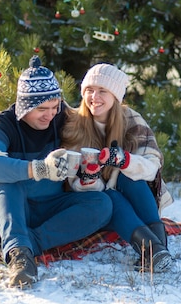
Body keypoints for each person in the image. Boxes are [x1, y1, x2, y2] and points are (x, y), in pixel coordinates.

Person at [0, 56, 113, 288]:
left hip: (52, 206)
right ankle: (19, 255)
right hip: (12, 210)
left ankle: (29, 244)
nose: (50, 115)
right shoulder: (3, 124)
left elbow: (105, 121)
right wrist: (38, 168)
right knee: (5, 182)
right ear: (24, 106)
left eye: (54, 107)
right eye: (41, 109)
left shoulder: (61, 117)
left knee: (102, 204)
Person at [61, 63, 174, 273]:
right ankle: (154, 250)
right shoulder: (75, 124)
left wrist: (124, 161)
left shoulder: (131, 119)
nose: (94, 97)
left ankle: (158, 251)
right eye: (89, 90)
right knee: (111, 197)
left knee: (130, 176)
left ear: (116, 96)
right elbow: (69, 181)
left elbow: (152, 167)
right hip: (95, 203)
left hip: (133, 194)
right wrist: (88, 179)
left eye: (102, 91)